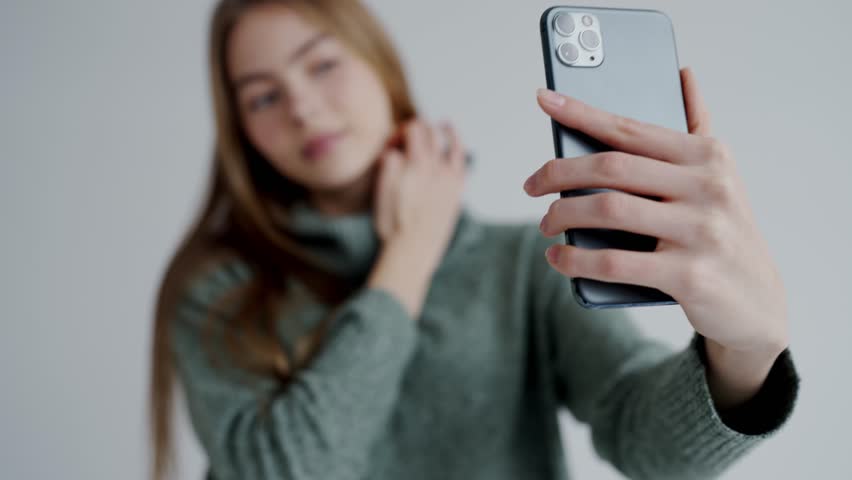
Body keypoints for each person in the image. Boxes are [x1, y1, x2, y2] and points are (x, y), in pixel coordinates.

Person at [149, 1, 800, 479]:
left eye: (321, 64)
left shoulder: (522, 263)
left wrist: (745, 352)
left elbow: (649, 442)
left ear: (382, 66)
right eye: (262, 98)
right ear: (241, 131)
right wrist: (408, 257)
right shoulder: (218, 288)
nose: (301, 106)